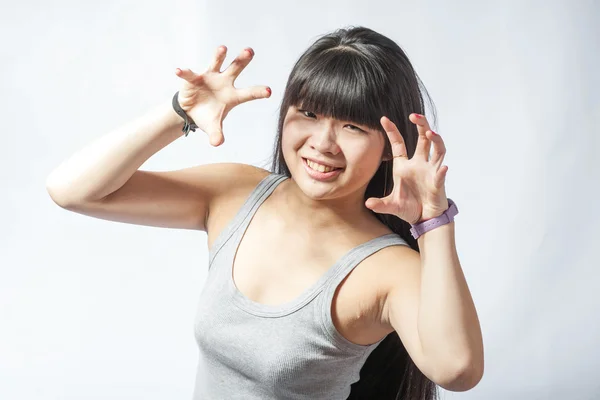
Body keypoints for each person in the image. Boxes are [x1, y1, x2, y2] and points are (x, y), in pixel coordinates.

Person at [46, 26, 484, 400]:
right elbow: (72, 191)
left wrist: (433, 219)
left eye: (352, 125)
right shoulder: (236, 193)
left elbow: (457, 370)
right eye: (308, 113)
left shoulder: (388, 269)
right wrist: (179, 113)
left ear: (390, 144)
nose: (323, 142)